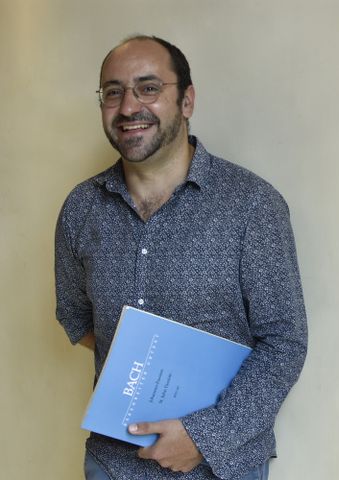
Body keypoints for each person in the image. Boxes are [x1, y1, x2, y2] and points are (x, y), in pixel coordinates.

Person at [55, 34, 308, 480]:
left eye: (148, 88)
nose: (129, 106)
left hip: (221, 466)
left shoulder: (252, 206)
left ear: (186, 100)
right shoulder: (81, 208)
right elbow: (78, 318)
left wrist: (202, 435)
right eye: (113, 92)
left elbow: (285, 343)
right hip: (112, 465)